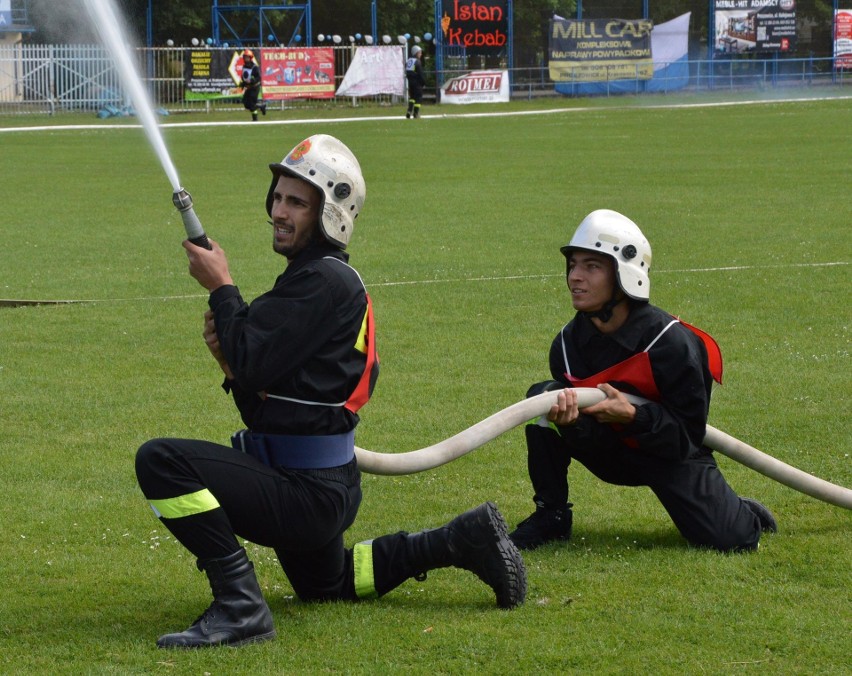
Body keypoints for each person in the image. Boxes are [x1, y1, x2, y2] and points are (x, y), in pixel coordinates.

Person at [135, 134, 526, 649]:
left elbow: (253, 361)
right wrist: (229, 363)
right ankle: (458, 540)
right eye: (278, 196)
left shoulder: (322, 282)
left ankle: (240, 607)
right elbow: (264, 405)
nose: (279, 210)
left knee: (161, 462)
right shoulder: (316, 280)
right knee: (331, 585)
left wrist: (222, 287)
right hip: (318, 485)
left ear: (332, 212)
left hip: (307, 491)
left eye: (296, 202)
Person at [509, 209, 777, 553]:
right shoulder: (565, 346)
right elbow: (578, 428)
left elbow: (686, 438)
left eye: (592, 267)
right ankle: (551, 515)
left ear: (625, 273)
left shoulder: (673, 344)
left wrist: (634, 416)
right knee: (543, 399)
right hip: (608, 449)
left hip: (667, 452)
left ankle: (740, 511)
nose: (575, 277)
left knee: (733, 540)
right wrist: (571, 422)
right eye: (573, 265)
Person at [239, 49, 266, 121]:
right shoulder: (244, 66)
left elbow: (259, 77)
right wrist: (243, 83)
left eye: (247, 57)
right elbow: (244, 76)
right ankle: (261, 106)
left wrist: (254, 80)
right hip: (248, 87)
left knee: (251, 103)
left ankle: (255, 119)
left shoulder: (254, 67)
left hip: (254, 87)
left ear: (251, 58)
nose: (246, 59)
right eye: (245, 57)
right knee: (246, 103)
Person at [405, 45, 425, 119]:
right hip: (417, 83)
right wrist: (423, 83)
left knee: (412, 97)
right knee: (418, 98)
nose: (421, 54)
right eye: (419, 53)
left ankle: (409, 111)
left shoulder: (408, 61)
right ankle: (416, 113)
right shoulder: (417, 61)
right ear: (416, 53)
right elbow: (420, 73)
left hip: (410, 83)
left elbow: (407, 72)